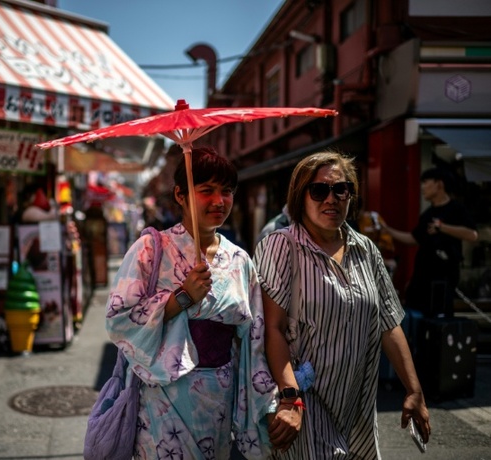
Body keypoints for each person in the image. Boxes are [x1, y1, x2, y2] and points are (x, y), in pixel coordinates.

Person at [254, 151, 430, 458]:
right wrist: (290, 397)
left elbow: (389, 324)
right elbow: (273, 329)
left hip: (357, 412)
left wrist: (414, 390)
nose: (331, 199)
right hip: (304, 407)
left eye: (340, 189)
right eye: (318, 190)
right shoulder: (281, 246)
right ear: (300, 196)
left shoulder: (366, 250)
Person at [106, 147, 275, 459]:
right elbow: (118, 320)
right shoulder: (149, 249)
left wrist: (266, 398)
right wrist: (181, 298)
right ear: (180, 195)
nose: (219, 201)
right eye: (206, 190)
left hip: (219, 398)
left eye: (227, 191)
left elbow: (253, 337)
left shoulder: (240, 260)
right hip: (163, 400)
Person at [383, 167, 478, 318]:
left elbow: (472, 235)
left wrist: (443, 227)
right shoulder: (427, 214)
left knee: (438, 320)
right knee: (415, 317)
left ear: (439, 184)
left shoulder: (457, 209)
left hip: (443, 276)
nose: (422, 187)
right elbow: (414, 238)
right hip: (421, 277)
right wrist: (387, 230)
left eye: (426, 182)